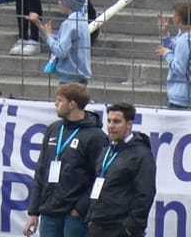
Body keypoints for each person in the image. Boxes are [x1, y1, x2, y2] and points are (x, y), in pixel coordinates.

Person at [24, 83, 103, 237]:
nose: (55, 104)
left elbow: (100, 177)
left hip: (74, 216)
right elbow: (41, 170)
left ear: (72, 104)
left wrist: (80, 208)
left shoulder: (95, 137)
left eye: (59, 100)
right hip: (49, 211)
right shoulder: (54, 129)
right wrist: (34, 212)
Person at [84, 104, 155, 237]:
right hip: (97, 225)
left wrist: (131, 227)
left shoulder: (141, 155)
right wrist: (90, 218)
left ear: (129, 124)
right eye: (109, 121)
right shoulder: (106, 150)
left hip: (120, 228)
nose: (111, 126)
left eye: (117, 122)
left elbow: (145, 194)